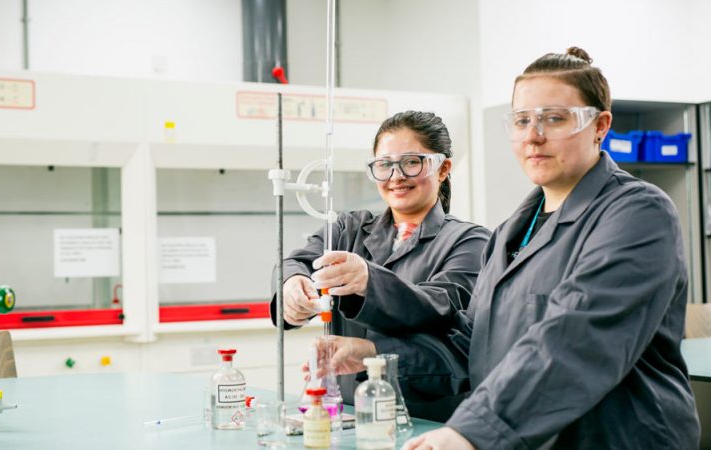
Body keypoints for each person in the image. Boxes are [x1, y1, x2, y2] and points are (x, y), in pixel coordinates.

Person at [399, 47, 701, 449]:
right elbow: (474, 343)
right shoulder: (510, 233)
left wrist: (470, 431)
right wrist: (373, 356)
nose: (533, 135)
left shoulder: (638, 214)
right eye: (522, 120)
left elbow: (580, 336)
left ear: (601, 126)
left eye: (555, 119)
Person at [270, 110, 490, 421]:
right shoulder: (351, 229)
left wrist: (368, 281)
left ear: (443, 169)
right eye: (384, 165)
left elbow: (437, 305)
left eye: (412, 162)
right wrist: (292, 285)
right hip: (345, 417)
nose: (396, 176)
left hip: (424, 421)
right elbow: (296, 261)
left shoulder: (470, 241)